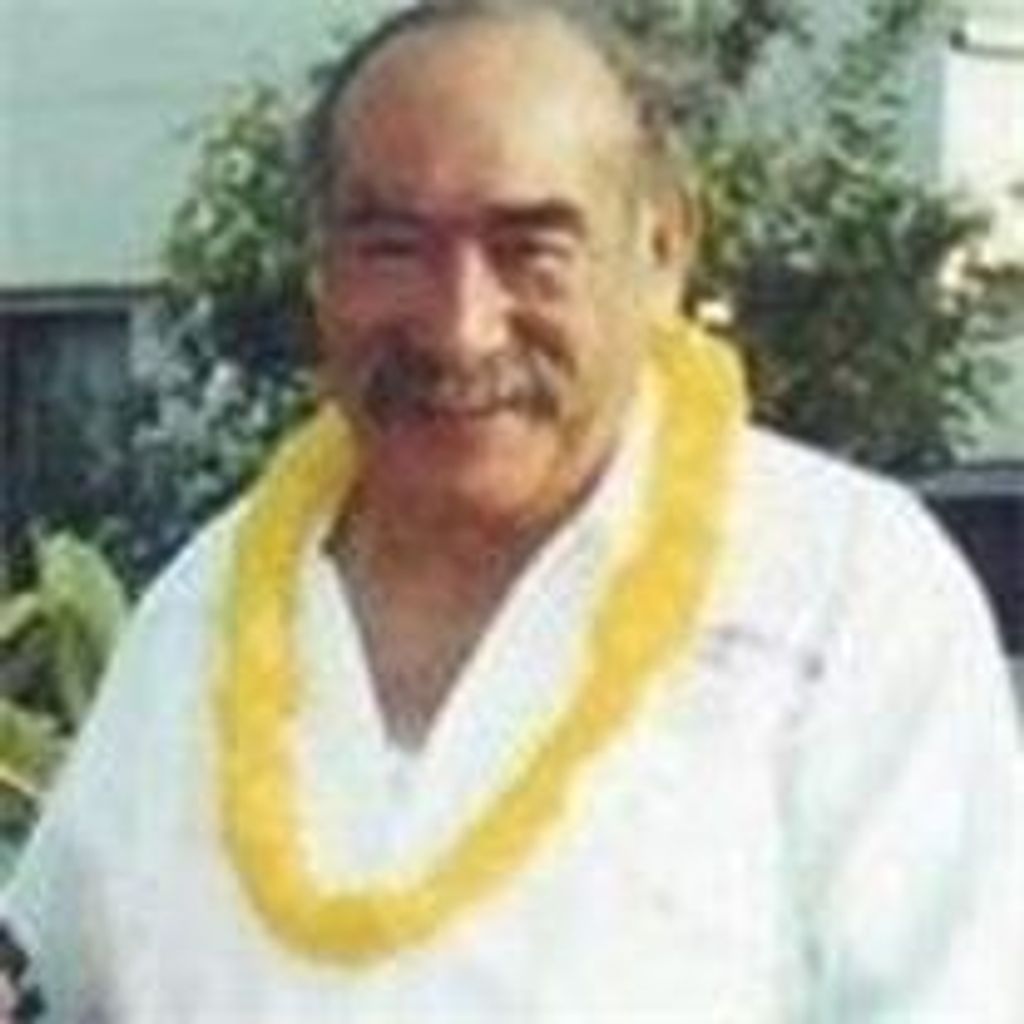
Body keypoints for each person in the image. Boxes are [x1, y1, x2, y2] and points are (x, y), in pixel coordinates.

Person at [3, 2, 1023, 1020]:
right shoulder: (204, 611)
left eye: (530, 247)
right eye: (392, 246)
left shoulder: (841, 595)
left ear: (663, 247)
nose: (461, 328)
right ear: (321, 269)